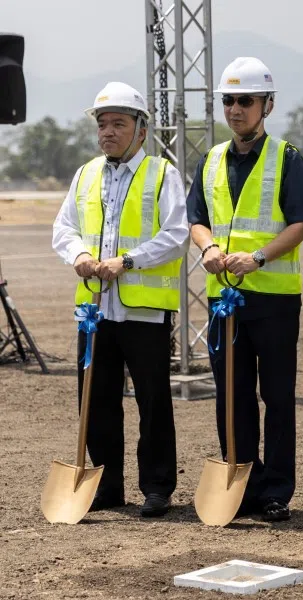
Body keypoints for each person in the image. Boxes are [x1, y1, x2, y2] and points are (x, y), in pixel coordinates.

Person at [51, 81, 189, 517]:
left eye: (119, 124)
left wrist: (126, 261)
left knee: (153, 399)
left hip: (143, 310)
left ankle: (157, 486)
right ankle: (107, 485)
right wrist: (80, 256)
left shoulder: (162, 174)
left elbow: (177, 235)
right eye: (103, 124)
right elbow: (64, 228)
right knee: (95, 399)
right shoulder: (85, 173)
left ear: (141, 130)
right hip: (95, 310)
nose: (108, 132)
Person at [186, 57, 303, 522]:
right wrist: (209, 247)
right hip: (225, 300)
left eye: (246, 100)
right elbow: (196, 219)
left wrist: (258, 257)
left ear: (267, 105)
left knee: (277, 396)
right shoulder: (211, 160)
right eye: (229, 100)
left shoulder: (288, 158)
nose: (236, 109)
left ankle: (276, 489)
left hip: (274, 300)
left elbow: (299, 223)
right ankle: (241, 480)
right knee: (231, 395)